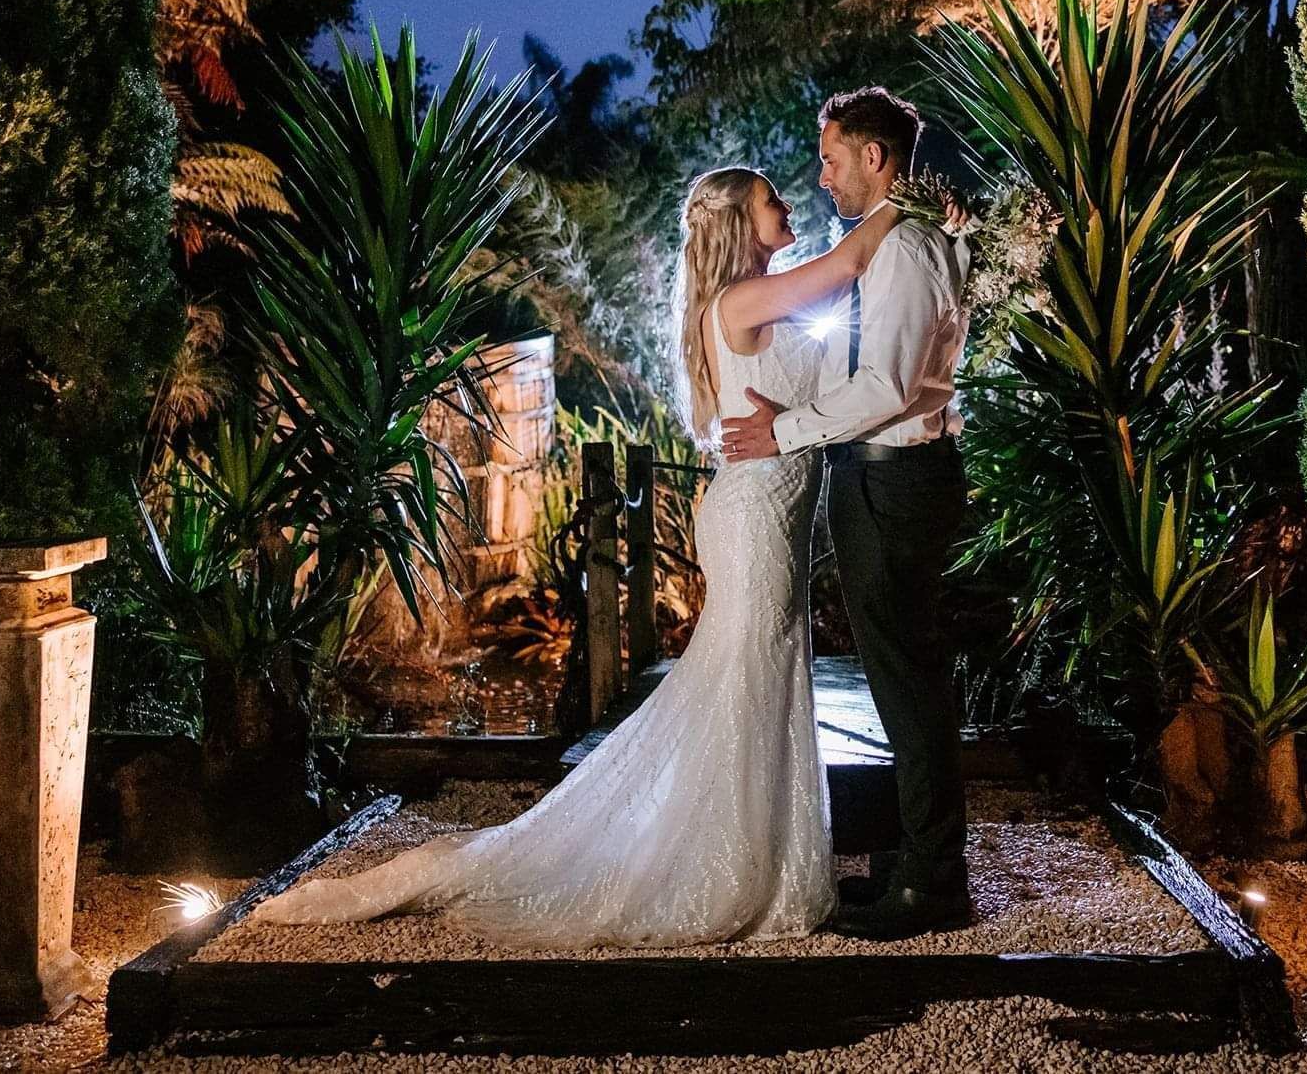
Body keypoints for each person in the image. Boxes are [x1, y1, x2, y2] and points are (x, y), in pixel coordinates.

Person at [252, 165, 900, 947]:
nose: (789, 205)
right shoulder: (740, 302)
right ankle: (725, 864)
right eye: (772, 200)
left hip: (771, 517)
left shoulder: (759, 299)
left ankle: (756, 856)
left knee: (763, 676)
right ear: (737, 222)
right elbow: (851, 262)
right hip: (755, 520)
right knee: (749, 678)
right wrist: (906, 197)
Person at [719, 86, 973, 940]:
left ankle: (935, 882)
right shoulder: (904, 240)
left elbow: (887, 385)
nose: (821, 177)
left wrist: (782, 432)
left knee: (908, 682)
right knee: (905, 673)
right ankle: (920, 857)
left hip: (894, 479)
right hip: (891, 474)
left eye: (830, 159)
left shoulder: (903, 249)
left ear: (875, 157)